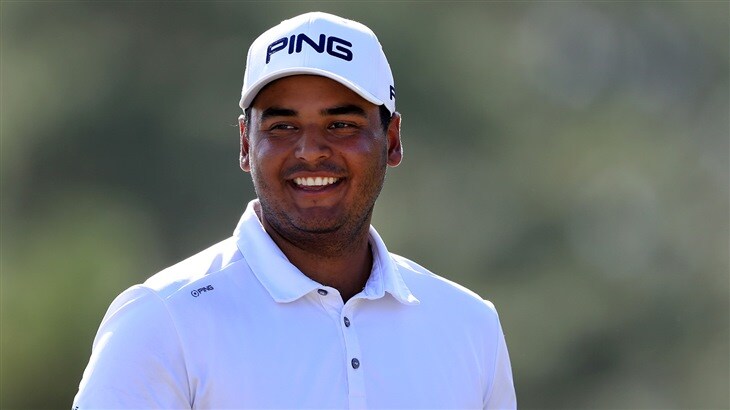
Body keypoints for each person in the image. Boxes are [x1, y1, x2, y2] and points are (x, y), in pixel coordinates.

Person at [73, 11, 516, 409]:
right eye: (283, 126)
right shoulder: (162, 321)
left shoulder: (469, 325)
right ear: (247, 144)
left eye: (341, 124)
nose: (310, 151)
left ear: (393, 139)